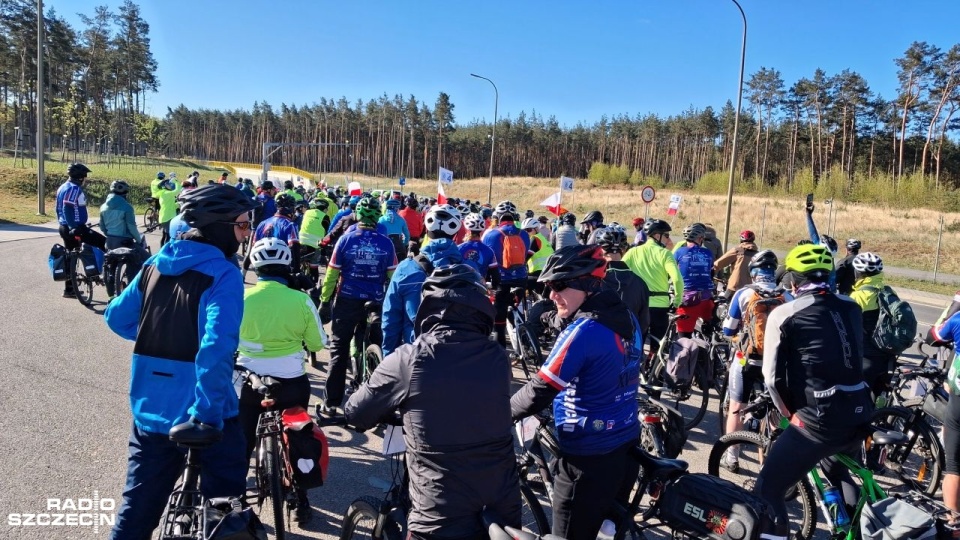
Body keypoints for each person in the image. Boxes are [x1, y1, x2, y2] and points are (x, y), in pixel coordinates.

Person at [104, 184, 258, 539]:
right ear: (219, 227)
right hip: (203, 410)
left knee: (135, 514)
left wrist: (161, 334)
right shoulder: (223, 273)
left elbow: (116, 318)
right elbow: (216, 348)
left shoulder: (154, 264)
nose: (245, 233)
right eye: (242, 225)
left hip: (151, 408)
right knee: (224, 514)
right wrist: (207, 414)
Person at [346, 265, 520, 539]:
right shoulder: (498, 356)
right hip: (502, 500)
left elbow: (356, 412)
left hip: (439, 509)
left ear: (428, 306)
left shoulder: (409, 358)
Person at [511, 245, 642, 540]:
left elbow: (540, 389)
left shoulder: (583, 331)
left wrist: (497, 415)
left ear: (588, 285)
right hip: (625, 445)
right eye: (548, 287)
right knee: (606, 532)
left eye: (558, 285)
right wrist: (549, 318)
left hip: (587, 457)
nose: (551, 295)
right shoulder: (624, 317)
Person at [756, 243, 873, 540]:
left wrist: (790, 414)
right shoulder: (851, 306)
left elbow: (771, 378)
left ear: (793, 281)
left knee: (769, 489)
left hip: (818, 418)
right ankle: (852, 532)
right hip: (858, 409)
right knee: (838, 471)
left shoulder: (784, 313)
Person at [237, 237, 325, 523]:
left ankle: (237, 500)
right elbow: (318, 343)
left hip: (249, 381)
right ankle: (302, 501)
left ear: (255, 266)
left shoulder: (241, 297)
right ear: (287, 266)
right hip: (291, 382)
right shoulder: (301, 300)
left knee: (242, 440)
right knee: (298, 436)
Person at [318, 198, 397, 416]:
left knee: (339, 349)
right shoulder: (387, 243)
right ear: (378, 217)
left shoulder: (346, 239)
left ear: (358, 215)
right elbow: (393, 277)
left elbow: (332, 274)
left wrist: (325, 300)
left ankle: (331, 403)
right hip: (375, 301)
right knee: (373, 342)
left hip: (347, 299)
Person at [718, 250, 789, 471]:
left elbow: (728, 330)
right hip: (776, 363)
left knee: (736, 407)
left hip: (747, 361)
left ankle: (731, 457)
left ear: (753, 272)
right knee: (775, 410)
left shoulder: (744, 293)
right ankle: (772, 460)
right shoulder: (787, 296)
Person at [381, 205, 464, 357]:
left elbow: (391, 319)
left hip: (416, 354)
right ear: (455, 234)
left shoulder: (406, 268)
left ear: (426, 230)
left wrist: (389, 358)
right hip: (458, 356)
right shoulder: (469, 270)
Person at [622, 218, 682, 340]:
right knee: (658, 344)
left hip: (638, 304)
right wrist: (676, 302)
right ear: (657, 236)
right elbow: (677, 279)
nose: (668, 239)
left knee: (637, 341)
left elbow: (619, 271)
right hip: (660, 305)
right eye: (666, 235)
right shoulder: (665, 253)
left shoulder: (633, 252)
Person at [482, 203, 532, 349]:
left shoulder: (491, 234)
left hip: (501, 280)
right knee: (516, 308)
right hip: (521, 278)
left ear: (497, 217)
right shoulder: (524, 234)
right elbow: (525, 255)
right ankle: (527, 340)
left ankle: (502, 351)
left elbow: (487, 260)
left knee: (499, 319)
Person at [927, 295, 960, 514]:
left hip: (959, 398)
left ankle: (954, 523)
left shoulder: (957, 319)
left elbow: (934, 336)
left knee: (954, 467)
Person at [848, 252, 897, 396]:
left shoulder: (858, 296)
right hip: (887, 358)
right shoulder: (888, 291)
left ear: (858, 272)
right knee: (880, 397)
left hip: (866, 358)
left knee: (858, 400)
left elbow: (847, 328)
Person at [56, 162, 106, 297]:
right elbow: (67, 207)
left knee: (70, 257)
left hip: (64, 227)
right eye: (85, 176)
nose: (86, 179)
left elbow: (59, 209)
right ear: (80, 177)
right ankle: (110, 277)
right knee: (104, 243)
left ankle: (69, 289)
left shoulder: (63, 187)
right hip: (75, 228)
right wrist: (73, 226)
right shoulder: (74, 188)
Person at [596, 225, 650, 336]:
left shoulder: (593, 280)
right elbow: (644, 322)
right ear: (624, 250)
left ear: (600, 250)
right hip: (629, 341)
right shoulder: (640, 283)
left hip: (599, 340)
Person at [673, 223, 715, 338]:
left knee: (684, 338)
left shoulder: (679, 252)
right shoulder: (708, 253)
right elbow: (711, 272)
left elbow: (673, 272)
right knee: (710, 333)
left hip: (688, 300)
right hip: (707, 300)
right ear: (700, 238)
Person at [254, 193, 301, 270]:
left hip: (262, 266)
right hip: (281, 266)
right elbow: (294, 247)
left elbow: (255, 245)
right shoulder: (290, 225)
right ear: (291, 209)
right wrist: (296, 270)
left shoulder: (262, 223)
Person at [713, 229, 759, 300]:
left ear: (741, 239)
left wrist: (711, 272)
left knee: (723, 303)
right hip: (750, 289)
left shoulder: (737, 251)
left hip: (735, 287)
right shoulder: (758, 254)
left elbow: (719, 263)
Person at [459, 213, 500, 286]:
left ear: (467, 229)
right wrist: (493, 286)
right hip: (479, 287)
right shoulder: (489, 250)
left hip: (461, 287)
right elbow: (495, 276)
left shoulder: (458, 248)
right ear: (482, 231)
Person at [522, 216, 553, 296]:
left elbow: (525, 258)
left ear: (536, 229)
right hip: (548, 273)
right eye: (524, 231)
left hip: (539, 273)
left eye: (529, 230)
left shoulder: (535, 238)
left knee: (519, 284)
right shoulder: (543, 238)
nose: (526, 232)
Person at [158, 175, 182, 246]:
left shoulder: (164, 194)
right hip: (168, 217)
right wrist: (176, 181)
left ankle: (162, 249)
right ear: (165, 186)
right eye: (168, 184)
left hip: (164, 216)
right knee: (168, 237)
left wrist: (179, 204)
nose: (170, 185)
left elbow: (170, 205)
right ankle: (166, 250)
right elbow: (177, 191)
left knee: (164, 235)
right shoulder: (166, 193)